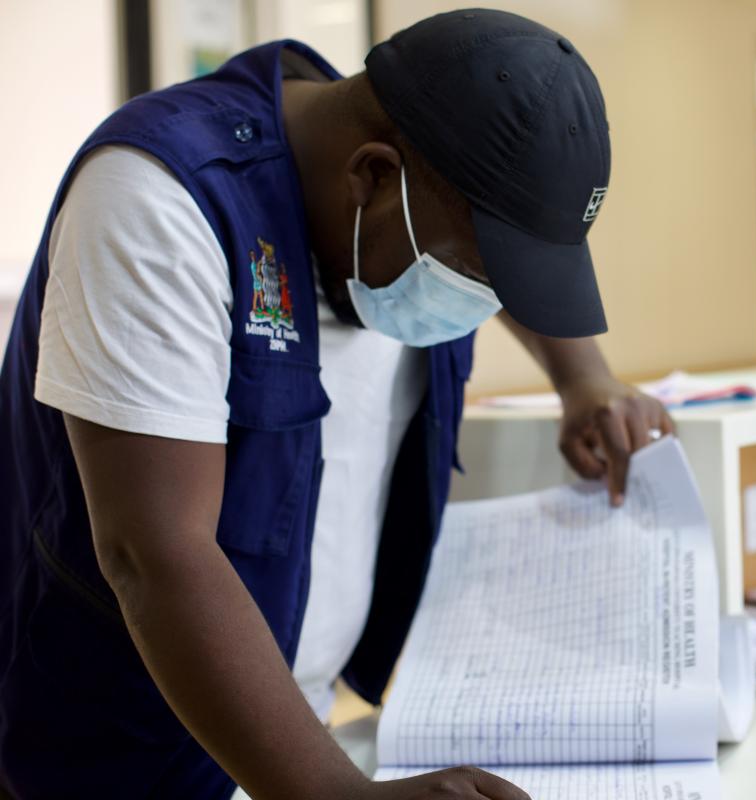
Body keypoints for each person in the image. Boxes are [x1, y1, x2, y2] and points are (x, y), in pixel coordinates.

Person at [0, 9, 673, 800]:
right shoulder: (160, 198)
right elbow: (153, 556)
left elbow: (493, 239)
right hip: (119, 757)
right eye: (476, 275)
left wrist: (582, 377)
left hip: (298, 735)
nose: (484, 304)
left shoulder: (403, 187)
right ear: (373, 176)